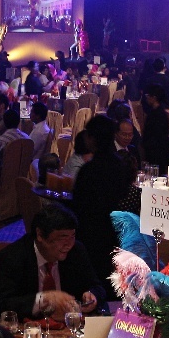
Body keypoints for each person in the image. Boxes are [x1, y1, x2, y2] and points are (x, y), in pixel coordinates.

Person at [0, 203, 105, 322]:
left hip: (66, 326)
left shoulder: (76, 251)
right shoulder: (10, 258)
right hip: (25, 327)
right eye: (62, 237)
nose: (69, 244)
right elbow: (3, 304)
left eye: (72, 236)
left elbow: (96, 286)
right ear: (40, 235)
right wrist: (44, 299)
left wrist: (92, 295)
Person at [73, 115, 134, 280]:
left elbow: (79, 205)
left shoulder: (89, 170)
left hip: (91, 234)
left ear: (93, 138)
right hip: (115, 232)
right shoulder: (120, 165)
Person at [140, 84, 169, 173]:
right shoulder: (158, 112)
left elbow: (156, 135)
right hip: (159, 151)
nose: (146, 98)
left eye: (147, 96)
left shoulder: (157, 114)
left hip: (157, 153)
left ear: (154, 98)